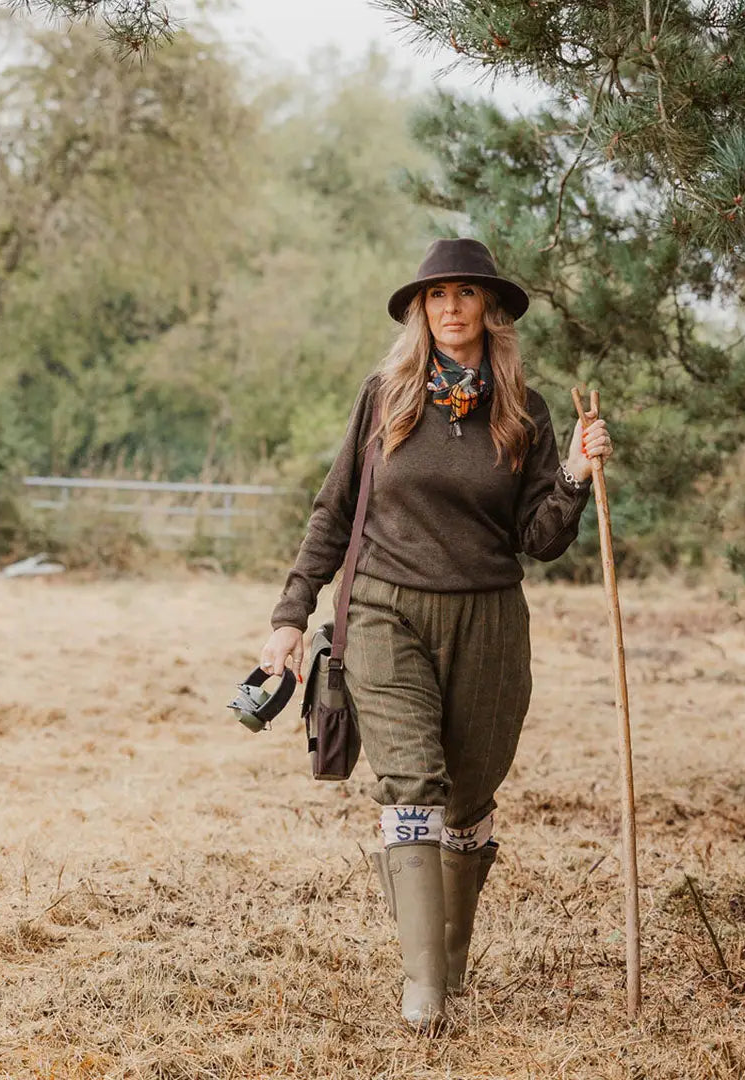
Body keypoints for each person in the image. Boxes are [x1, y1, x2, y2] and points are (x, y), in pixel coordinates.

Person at [259, 237, 612, 1030]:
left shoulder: (524, 409)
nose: (452, 307)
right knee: (413, 785)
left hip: (489, 616)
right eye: (437, 295)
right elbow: (335, 510)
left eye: (466, 293)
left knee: (471, 799)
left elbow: (542, 538)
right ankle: (423, 996)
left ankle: (449, 969)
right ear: (421, 310)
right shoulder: (384, 395)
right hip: (385, 611)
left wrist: (577, 478)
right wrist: (291, 615)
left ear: (489, 308)